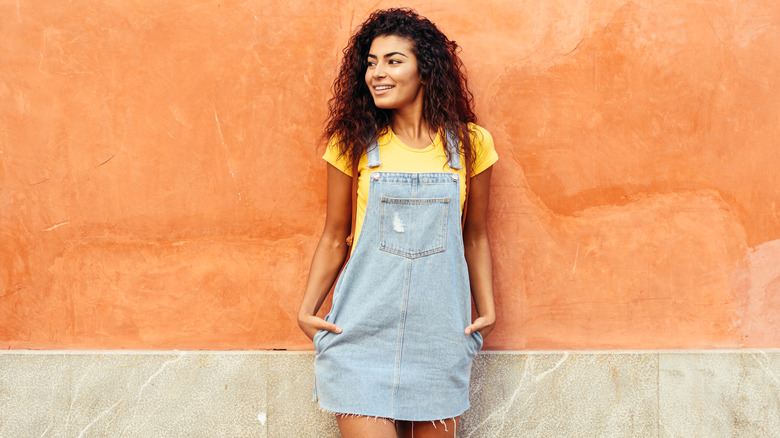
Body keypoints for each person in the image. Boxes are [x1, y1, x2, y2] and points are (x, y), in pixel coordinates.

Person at [297, 8, 497, 438]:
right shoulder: (352, 144)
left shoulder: (470, 144)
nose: (376, 73)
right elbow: (336, 236)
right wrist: (307, 310)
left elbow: (475, 237)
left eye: (393, 61)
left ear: (425, 70)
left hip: (439, 335)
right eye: (370, 62)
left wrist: (487, 309)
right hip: (362, 332)